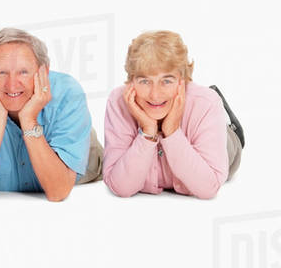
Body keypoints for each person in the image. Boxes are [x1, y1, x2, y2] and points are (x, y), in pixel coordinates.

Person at [0, 28, 98, 201]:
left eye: (23, 72)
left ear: (44, 72)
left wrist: (29, 119)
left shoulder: (69, 93)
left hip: (82, 153)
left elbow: (58, 192)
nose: (11, 85)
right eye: (2, 73)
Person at [102, 30, 242, 199]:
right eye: (144, 81)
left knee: (227, 140)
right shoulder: (118, 101)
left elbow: (208, 188)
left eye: (166, 81)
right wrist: (148, 132)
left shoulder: (207, 104)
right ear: (131, 81)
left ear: (184, 80)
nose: (155, 95)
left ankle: (227, 123)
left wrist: (173, 131)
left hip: (221, 140)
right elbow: (120, 186)